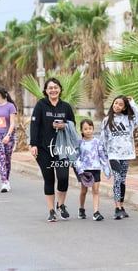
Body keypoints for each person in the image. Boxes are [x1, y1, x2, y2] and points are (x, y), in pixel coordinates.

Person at [30, 77, 76, 222]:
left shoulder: (66, 107)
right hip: (44, 149)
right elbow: (34, 126)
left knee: (63, 178)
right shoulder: (41, 105)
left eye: (56, 87)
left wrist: (64, 125)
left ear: (60, 89)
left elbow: (73, 124)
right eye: (50, 88)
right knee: (49, 178)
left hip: (62, 149)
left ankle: (61, 205)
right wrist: (33, 145)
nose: (53, 90)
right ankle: (51, 210)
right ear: (46, 91)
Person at [100, 95, 138, 219]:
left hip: (126, 154)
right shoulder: (107, 120)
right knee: (117, 178)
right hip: (113, 155)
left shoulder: (129, 120)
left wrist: (133, 104)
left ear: (125, 107)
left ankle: (121, 206)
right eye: (115, 103)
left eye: (120, 104)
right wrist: (103, 158)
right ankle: (117, 208)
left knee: (123, 180)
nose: (117, 106)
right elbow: (103, 139)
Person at [75, 118, 110, 221]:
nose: (88, 131)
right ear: (81, 130)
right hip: (84, 170)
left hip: (95, 169)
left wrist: (106, 167)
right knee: (84, 191)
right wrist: (80, 168)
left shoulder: (97, 142)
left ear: (93, 129)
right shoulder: (80, 143)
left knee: (95, 190)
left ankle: (96, 212)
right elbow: (77, 157)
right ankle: (81, 209)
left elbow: (102, 156)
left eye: (90, 128)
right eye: (85, 129)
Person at [0, 87, 17, 193]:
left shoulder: (10, 106)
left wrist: (8, 135)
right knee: (1, 158)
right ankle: (4, 182)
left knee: (7, 159)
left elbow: (12, 123)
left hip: (9, 135)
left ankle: (7, 180)